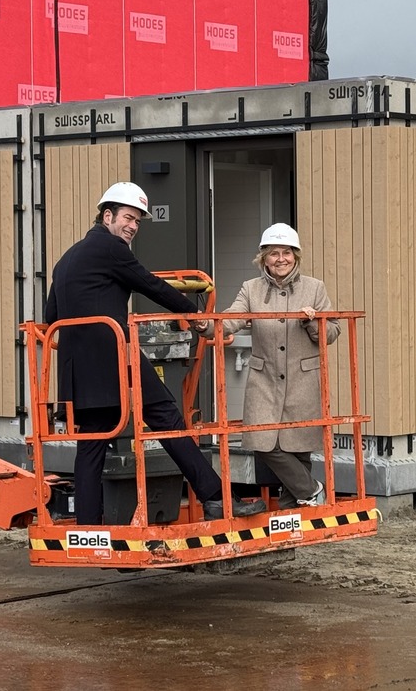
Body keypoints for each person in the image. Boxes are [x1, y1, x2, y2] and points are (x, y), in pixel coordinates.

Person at [43, 182, 266, 524]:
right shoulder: (112, 249)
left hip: (78, 372)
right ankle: (216, 498)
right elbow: (151, 285)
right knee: (169, 422)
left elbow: (51, 318)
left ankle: (88, 529)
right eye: (128, 218)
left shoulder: (65, 260)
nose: (133, 226)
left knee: (90, 448)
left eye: (138, 221)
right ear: (107, 216)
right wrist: (196, 317)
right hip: (115, 357)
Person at [206, 223, 339, 509]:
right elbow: (232, 318)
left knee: (299, 449)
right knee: (263, 442)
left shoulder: (315, 288)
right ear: (263, 258)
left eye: (287, 252)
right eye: (274, 253)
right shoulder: (251, 289)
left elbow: (332, 332)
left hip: (303, 381)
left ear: (296, 256)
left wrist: (312, 322)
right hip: (264, 380)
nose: (281, 258)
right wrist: (208, 325)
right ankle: (313, 489)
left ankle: (290, 525)